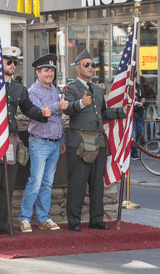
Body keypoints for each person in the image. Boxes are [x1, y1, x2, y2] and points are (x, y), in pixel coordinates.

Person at [0, 46, 51, 239]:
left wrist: (42, 114)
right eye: (8, 61)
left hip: (11, 140)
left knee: (7, 184)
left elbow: (28, 109)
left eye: (15, 63)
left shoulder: (18, 88)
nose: (12, 65)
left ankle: (3, 222)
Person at [62, 49, 126, 232]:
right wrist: (81, 103)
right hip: (80, 141)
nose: (90, 68)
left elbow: (104, 113)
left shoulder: (97, 89)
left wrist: (122, 112)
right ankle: (74, 221)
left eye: (92, 65)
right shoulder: (71, 88)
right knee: (78, 182)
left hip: (98, 142)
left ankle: (96, 219)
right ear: (77, 68)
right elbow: (67, 110)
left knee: (97, 183)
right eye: (86, 65)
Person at [19, 53, 69, 233]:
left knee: (47, 183)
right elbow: (40, 112)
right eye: (46, 70)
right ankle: (24, 218)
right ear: (38, 72)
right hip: (39, 142)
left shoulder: (53, 90)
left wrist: (61, 138)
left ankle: (43, 217)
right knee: (36, 181)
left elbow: (58, 118)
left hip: (54, 143)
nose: (50, 73)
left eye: (52, 70)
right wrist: (58, 106)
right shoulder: (33, 91)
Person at [131, 81, 146, 160]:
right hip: (130, 113)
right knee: (133, 133)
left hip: (139, 112)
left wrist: (141, 103)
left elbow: (143, 98)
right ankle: (134, 152)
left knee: (141, 132)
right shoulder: (127, 85)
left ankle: (132, 148)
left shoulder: (139, 86)